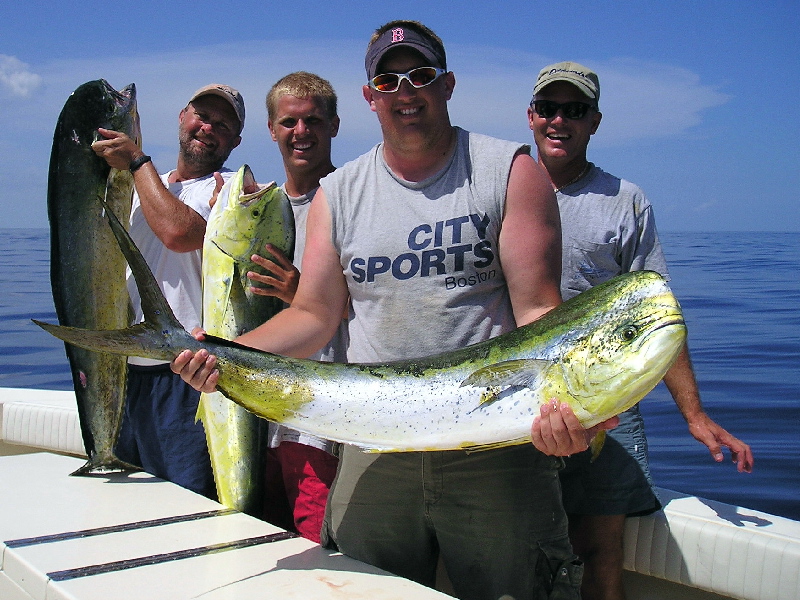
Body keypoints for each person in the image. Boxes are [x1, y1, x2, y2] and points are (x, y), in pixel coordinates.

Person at [173, 21, 618, 600]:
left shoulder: (509, 170)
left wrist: (571, 404)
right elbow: (313, 316)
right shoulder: (342, 191)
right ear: (370, 95)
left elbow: (540, 313)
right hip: (373, 443)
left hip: (494, 446)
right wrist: (225, 355)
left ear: (448, 84)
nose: (405, 90)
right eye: (388, 78)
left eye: (421, 75)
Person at [528, 61, 755, 600]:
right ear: (531, 117)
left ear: (595, 122)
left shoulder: (626, 200)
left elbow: (658, 320)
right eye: (549, 109)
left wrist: (693, 414)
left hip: (611, 401)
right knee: (525, 539)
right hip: (523, 398)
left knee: (602, 543)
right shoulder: (498, 193)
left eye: (576, 110)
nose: (560, 120)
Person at [91, 84, 245, 498]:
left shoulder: (233, 190)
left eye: (223, 124)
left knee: (189, 508)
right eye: (201, 115)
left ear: (235, 140)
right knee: (128, 503)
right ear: (182, 116)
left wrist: (137, 161)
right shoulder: (138, 189)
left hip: (191, 378)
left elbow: (181, 232)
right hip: (126, 376)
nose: (208, 127)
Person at [245, 71, 346, 543]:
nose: (300, 132)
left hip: (317, 425)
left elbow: (380, 309)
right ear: (271, 128)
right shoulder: (256, 210)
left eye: (313, 121)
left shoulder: (351, 199)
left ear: (334, 126)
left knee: (317, 553)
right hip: (258, 419)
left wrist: (302, 295)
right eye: (288, 122)